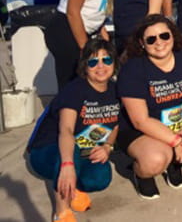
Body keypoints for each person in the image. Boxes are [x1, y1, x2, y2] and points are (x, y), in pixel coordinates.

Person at [117, 14, 182, 199]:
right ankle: (141, 174)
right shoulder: (132, 70)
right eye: (151, 39)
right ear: (141, 43)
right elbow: (140, 120)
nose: (159, 42)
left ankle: (174, 164)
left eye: (164, 35)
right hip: (144, 130)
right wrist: (177, 142)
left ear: (173, 35)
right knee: (154, 161)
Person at [26, 38, 120, 222]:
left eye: (106, 59)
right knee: (71, 154)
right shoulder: (74, 90)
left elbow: (115, 124)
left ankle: (74, 188)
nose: (100, 66)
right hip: (48, 150)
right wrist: (67, 166)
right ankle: (61, 212)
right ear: (85, 66)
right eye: (93, 62)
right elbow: (66, 130)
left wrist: (107, 146)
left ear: (114, 63)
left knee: (100, 178)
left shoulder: (116, 91)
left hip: (84, 149)